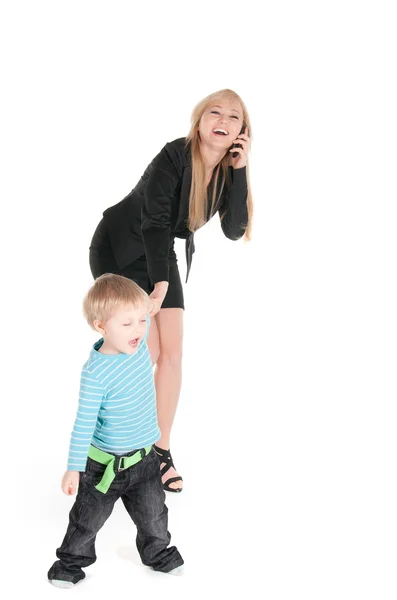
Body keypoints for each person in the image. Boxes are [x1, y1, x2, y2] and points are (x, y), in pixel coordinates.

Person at [89, 89, 253, 492]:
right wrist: (161, 280)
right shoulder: (174, 154)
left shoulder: (226, 172)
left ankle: (158, 453)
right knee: (145, 350)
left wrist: (240, 170)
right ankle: (107, 447)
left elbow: (234, 231)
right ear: (199, 121)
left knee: (172, 353)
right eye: (214, 111)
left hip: (160, 251)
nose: (224, 119)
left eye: (234, 117)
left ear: (241, 132)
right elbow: (155, 219)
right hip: (123, 244)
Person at [47, 274, 184, 588]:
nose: (138, 329)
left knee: (154, 515)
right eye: (127, 324)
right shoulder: (95, 373)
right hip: (104, 468)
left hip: (145, 461)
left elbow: (147, 312)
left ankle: (158, 553)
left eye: (140, 321)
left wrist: (155, 294)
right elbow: (82, 424)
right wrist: (73, 468)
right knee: (87, 520)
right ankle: (69, 563)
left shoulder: (138, 346)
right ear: (101, 327)